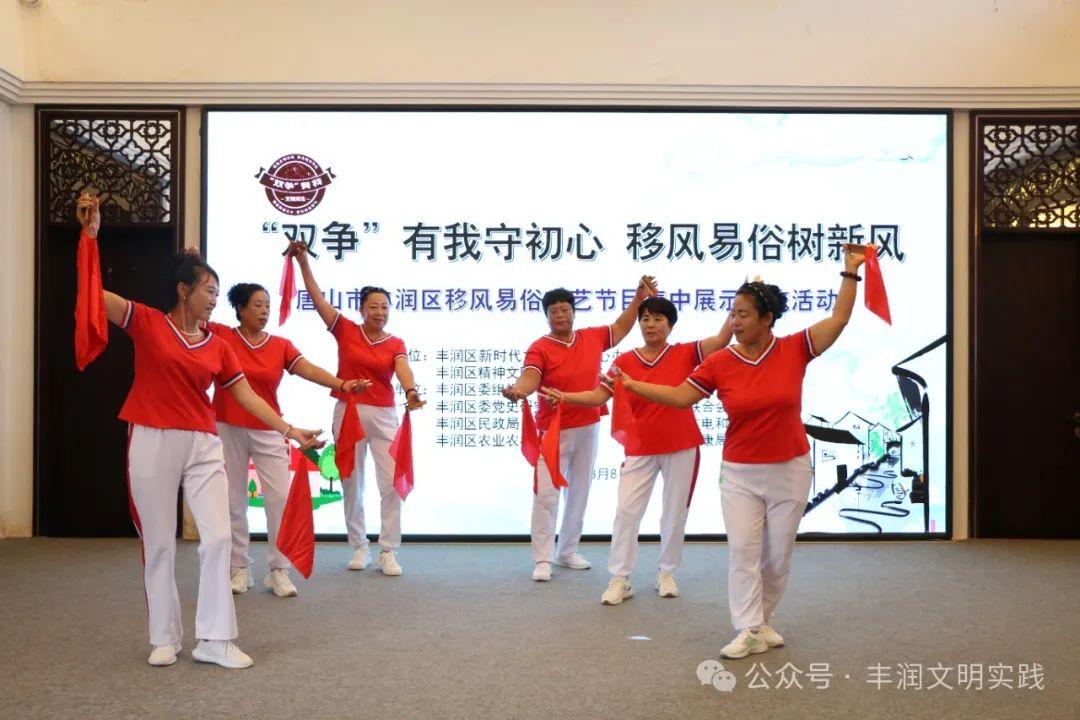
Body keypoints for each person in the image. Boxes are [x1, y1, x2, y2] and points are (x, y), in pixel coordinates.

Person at [76, 194, 322, 669]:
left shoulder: (219, 345)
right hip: (152, 436)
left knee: (218, 539)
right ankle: (164, 637)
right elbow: (91, 297)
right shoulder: (147, 322)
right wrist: (90, 238)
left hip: (204, 442)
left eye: (217, 291)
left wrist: (290, 429)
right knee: (160, 542)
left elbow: (247, 396)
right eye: (208, 290)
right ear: (183, 290)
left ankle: (215, 639)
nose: (214, 298)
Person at [615, 250, 866, 658]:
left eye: (743, 314)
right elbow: (680, 396)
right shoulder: (720, 362)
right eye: (733, 314)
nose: (735, 321)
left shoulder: (794, 348)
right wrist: (634, 386)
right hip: (739, 472)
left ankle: (763, 619)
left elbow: (838, 319)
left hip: (790, 468)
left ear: (767, 318)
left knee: (777, 558)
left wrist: (850, 272)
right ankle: (747, 628)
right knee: (743, 553)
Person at [542, 296, 732, 604]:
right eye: (645, 319)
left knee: (674, 511)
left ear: (670, 325)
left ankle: (667, 572)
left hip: (681, 444)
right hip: (640, 447)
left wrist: (737, 309)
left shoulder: (686, 352)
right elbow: (598, 396)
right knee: (627, 511)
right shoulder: (625, 362)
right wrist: (566, 397)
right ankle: (620, 577)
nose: (650, 325)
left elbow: (722, 340)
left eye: (658, 319)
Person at [208, 283, 370, 598]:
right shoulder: (221, 335)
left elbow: (307, 369)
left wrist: (342, 384)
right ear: (240, 309)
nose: (264, 311)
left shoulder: (280, 345)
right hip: (227, 427)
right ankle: (239, 567)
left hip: (271, 429)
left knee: (279, 500)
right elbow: (189, 317)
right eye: (257, 305)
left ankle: (278, 570)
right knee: (233, 501)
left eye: (268, 305)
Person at [501, 278, 656, 582]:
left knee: (580, 491)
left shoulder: (592, 337)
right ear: (547, 316)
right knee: (546, 494)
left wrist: (639, 299)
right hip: (553, 430)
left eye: (565, 310)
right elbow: (530, 376)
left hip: (588, 425)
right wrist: (519, 391)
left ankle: (567, 551)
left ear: (573, 312)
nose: (560, 316)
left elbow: (621, 327)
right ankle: (542, 558)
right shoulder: (540, 347)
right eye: (554, 312)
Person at [292, 241, 425, 576]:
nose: (380, 312)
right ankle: (359, 546)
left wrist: (410, 390)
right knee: (351, 480)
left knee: (391, 482)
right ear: (361, 309)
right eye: (374, 307)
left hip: (383, 414)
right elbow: (317, 298)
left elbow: (403, 367)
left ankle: (388, 550)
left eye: (385, 307)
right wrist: (303, 262)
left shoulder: (395, 342)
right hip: (349, 411)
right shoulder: (345, 329)